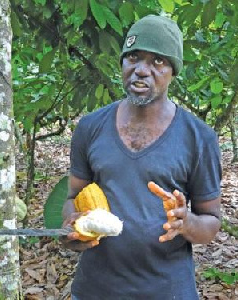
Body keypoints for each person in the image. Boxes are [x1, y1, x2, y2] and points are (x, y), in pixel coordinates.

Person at [61, 15, 222, 300]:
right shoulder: (90, 127)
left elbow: (211, 221)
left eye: (157, 61)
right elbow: (72, 196)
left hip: (167, 290)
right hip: (95, 290)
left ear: (173, 71)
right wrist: (74, 230)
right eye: (133, 57)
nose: (141, 70)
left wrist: (186, 224)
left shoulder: (199, 138)